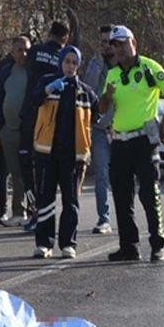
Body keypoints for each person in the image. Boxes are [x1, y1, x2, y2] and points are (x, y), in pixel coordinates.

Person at [100, 25, 164, 263]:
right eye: (115, 46)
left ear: (133, 43)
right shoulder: (113, 74)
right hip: (119, 142)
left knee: (148, 193)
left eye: (122, 44)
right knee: (122, 197)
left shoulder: (148, 67)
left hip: (144, 141)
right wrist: (107, 96)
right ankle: (129, 247)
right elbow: (102, 108)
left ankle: (158, 244)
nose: (119, 49)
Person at [30, 46, 96, 259]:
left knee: (71, 201)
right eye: (67, 61)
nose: (70, 66)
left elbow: (97, 113)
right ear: (61, 62)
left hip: (73, 156)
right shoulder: (47, 81)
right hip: (46, 153)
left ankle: (68, 243)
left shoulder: (84, 91)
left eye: (74, 63)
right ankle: (44, 243)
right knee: (45, 199)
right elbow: (34, 101)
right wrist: (48, 89)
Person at [20, 21, 70, 230]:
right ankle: (43, 213)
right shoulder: (64, 59)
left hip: (30, 114)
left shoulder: (35, 51)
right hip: (49, 120)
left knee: (26, 163)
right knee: (43, 167)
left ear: (49, 33)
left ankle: (34, 211)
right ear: (65, 38)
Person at [0, 35, 31, 227]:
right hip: (8, 130)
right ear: (12, 52)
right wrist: (0, 125)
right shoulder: (5, 71)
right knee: (15, 172)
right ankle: (17, 212)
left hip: (28, 131)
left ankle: (33, 212)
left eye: (27, 50)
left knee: (29, 172)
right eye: (19, 50)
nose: (23, 54)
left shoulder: (34, 72)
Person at [82, 26, 115, 234]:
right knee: (102, 174)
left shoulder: (124, 64)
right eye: (103, 42)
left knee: (122, 175)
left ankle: (126, 215)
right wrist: (98, 63)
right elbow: (88, 88)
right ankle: (104, 218)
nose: (107, 46)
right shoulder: (95, 64)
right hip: (100, 128)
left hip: (121, 128)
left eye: (110, 42)